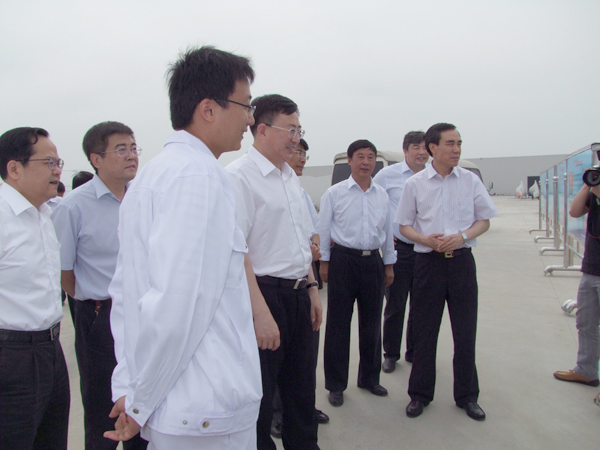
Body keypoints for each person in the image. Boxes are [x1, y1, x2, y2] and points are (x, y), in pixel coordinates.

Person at [103, 46, 262, 450]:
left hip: (180, 405)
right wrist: (138, 402)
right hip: (206, 405)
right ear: (208, 109)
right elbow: (177, 305)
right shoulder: (199, 177)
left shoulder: (154, 174)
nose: (250, 118)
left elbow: (127, 295)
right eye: (245, 105)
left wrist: (130, 387)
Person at [227, 94, 322, 450]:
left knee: (301, 391)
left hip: (298, 295)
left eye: (299, 130)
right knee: (261, 396)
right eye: (290, 130)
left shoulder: (289, 177)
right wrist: (260, 314)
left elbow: (300, 241)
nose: (296, 139)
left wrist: (312, 289)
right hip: (263, 296)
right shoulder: (239, 177)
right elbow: (236, 253)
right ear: (263, 129)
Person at [51, 121, 146, 450]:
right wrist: (91, 305)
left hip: (143, 312)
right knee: (101, 409)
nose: (131, 155)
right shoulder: (74, 206)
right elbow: (64, 272)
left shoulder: (143, 198)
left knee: (143, 404)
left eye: (133, 148)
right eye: (121, 149)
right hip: (99, 316)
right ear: (96, 159)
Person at [397, 123, 498, 421]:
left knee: (465, 332)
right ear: (433, 148)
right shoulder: (415, 184)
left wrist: (463, 236)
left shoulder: (469, 180)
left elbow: (485, 220)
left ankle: (467, 396)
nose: (456, 149)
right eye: (450, 144)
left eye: (459, 143)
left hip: (462, 263)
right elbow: (404, 225)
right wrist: (423, 239)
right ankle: (419, 395)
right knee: (425, 332)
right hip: (428, 264)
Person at [0, 127, 70, 450]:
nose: (57, 171)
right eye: (48, 162)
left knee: (51, 441)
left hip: (50, 349)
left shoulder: (43, 215)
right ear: (14, 168)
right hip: (12, 357)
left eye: (58, 163)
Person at [319, 139, 396, 407]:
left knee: (372, 324)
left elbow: (388, 232)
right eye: (360, 157)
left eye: (370, 157)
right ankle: (336, 384)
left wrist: (389, 265)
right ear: (350, 161)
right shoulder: (335, 193)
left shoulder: (382, 195)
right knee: (338, 325)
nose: (366, 162)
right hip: (343, 261)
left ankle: (369, 378)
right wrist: (324, 263)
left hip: (373, 262)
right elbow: (324, 230)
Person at [270, 139, 328, 440]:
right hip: (273, 286)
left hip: (302, 282)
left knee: (303, 360)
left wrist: (313, 283)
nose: (302, 158)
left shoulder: (299, 191)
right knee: (275, 359)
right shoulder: (260, 187)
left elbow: (312, 232)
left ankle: (303, 409)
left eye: (305, 152)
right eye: (296, 151)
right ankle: (276, 414)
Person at [373, 131, 429, 373]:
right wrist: (383, 235)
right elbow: (373, 204)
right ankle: (391, 354)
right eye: (416, 147)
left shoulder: (433, 175)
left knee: (421, 305)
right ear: (405, 151)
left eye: (425, 148)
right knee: (395, 305)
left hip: (427, 251)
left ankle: (414, 351)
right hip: (399, 250)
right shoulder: (388, 175)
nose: (422, 152)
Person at [553, 168, 600, 387]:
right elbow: (574, 211)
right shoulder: (595, 189)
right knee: (585, 323)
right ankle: (586, 370)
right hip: (591, 267)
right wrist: (589, 184)